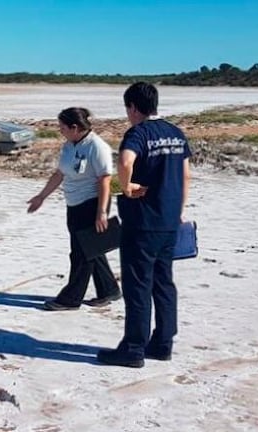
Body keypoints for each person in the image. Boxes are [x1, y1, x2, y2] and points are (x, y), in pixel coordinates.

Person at [97, 82, 192, 368]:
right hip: (169, 221)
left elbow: (125, 162)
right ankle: (163, 343)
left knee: (138, 286)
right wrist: (179, 210)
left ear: (133, 107)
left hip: (143, 222)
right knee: (164, 283)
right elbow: (186, 175)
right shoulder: (175, 133)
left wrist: (126, 187)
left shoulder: (138, 133)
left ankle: (134, 348)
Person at [27, 107, 121, 311]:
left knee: (81, 254)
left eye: (62, 127)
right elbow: (59, 174)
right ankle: (109, 290)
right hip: (73, 204)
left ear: (75, 127)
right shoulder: (69, 145)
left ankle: (70, 298)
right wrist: (41, 196)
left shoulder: (97, 146)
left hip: (91, 204)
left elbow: (105, 180)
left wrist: (102, 212)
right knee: (92, 249)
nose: (59, 130)